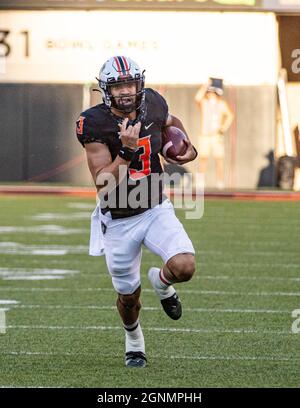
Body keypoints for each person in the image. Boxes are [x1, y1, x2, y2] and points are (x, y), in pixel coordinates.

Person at [76, 56, 197, 368]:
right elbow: (104, 184)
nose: (127, 92)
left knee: (184, 266)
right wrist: (127, 151)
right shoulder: (93, 123)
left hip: (155, 206)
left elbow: (171, 121)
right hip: (118, 219)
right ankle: (134, 340)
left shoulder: (153, 102)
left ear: (140, 84)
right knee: (128, 297)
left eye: (131, 84)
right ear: (106, 91)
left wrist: (185, 147)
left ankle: (162, 281)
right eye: (119, 86)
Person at [195, 78, 234, 189]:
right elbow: (197, 98)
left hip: (216, 136)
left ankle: (220, 182)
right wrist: (204, 86)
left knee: (219, 159)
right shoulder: (204, 103)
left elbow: (230, 116)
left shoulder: (221, 104)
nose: (210, 93)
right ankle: (200, 182)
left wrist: (222, 128)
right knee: (203, 158)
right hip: (204, 135)